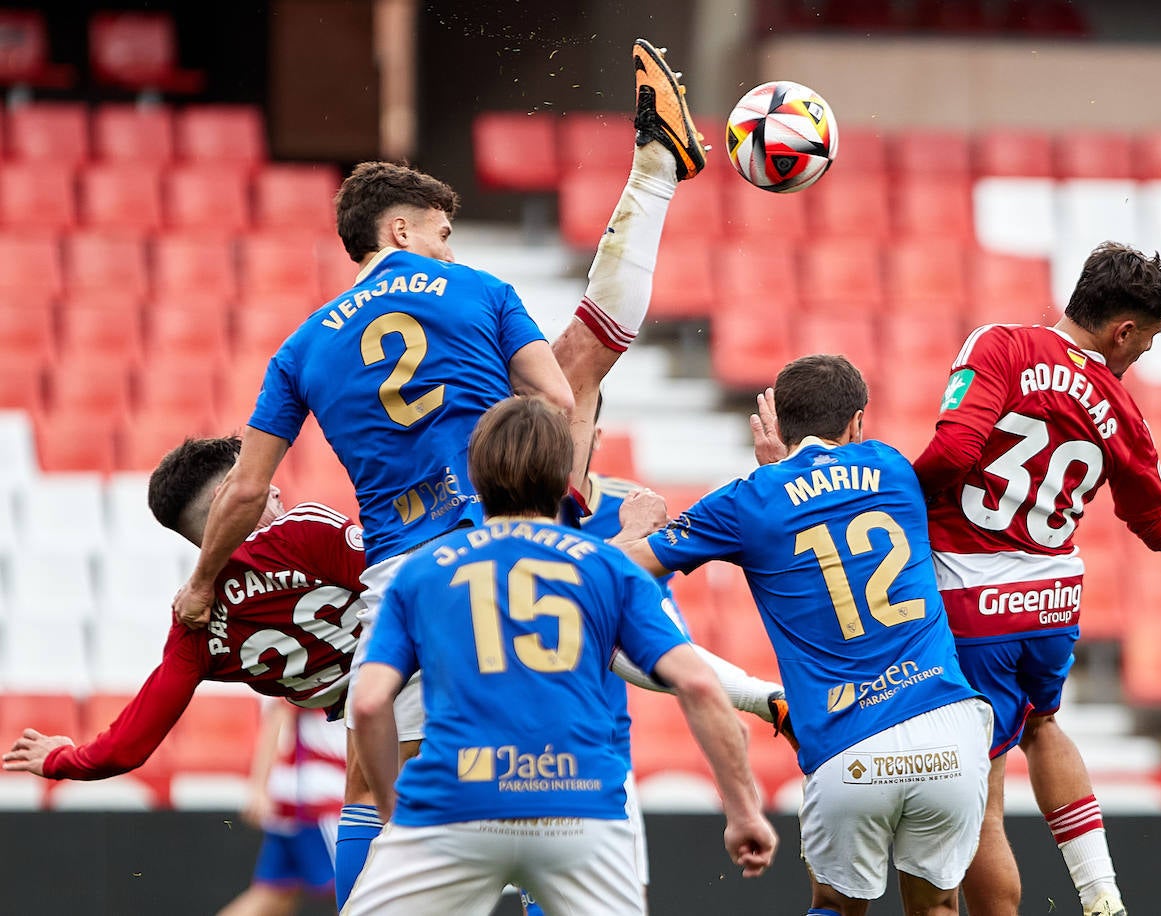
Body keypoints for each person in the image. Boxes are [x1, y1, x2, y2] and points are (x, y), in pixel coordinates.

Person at [170, 39, 710, 904]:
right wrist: (573, 494)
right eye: (442, 233)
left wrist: (201, 584)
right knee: (580, 365)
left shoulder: (305, 342)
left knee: (373, 783)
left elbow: (242, 491)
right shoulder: (478, 294)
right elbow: (550, 391)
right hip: (521, 532)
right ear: (401, 230)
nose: (450, 248)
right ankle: (653, 175)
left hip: (412, 568)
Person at [910, 241, 1161, 916]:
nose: (1140, 354)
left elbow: (952, 451)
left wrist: (900, 504)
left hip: (973, 601)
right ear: (1122, 330)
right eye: (1145, 343)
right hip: (1053, 603)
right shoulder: (1122, 412)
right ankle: (1101, 894)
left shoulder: (1001, 346)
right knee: (1043, 723)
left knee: (987, 801)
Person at [345, 396, 776, 915]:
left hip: (454, 805)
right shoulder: (607, 568)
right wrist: (743, 810)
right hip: (579, 807)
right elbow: (699, 684)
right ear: (563, 479)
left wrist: (395, 813)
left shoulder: (422, 571)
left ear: (475, 479)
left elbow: (368, 705)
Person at [619, 354, 993, 916]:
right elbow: (835, 494)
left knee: (835, 907)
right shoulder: (892, 467)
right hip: (947, 731)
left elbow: (602, 571)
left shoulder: (747, 501)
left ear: (775, 423)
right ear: (858, 422)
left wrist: (633, 528)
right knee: (937, 906)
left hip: (850, 748)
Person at [518, 398, 788, 916]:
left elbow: (662, 653)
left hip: (582, 758)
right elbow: (676, 670)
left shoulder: (623, 508)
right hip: (559, 771)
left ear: (595, 436)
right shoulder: (625, 527)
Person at [2, 436, 366, 783]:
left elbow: (125, 749)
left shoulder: (195, 626)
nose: (273, 488)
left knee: (367, 804)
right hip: (412, 678)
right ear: (230, 497)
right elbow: (405, 582)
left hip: (366, 711)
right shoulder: (305, 532)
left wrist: (60, 758)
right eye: (254, 479)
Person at [218, 703, 347, 916]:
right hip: (322, 802)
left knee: (274, 896)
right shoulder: (334, 670)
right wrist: (259, 786)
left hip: (299, 801)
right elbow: (279, 710)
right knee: (358, 892)